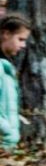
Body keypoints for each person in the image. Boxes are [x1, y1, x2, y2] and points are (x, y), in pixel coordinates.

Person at [0, 10, 28, 150]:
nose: (23, 45)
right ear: (6, 34)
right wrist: (7, 131)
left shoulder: (5, 67)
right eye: (20, 39)